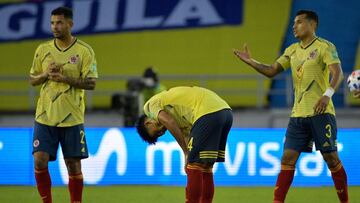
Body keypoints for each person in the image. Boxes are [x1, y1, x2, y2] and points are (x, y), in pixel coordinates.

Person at [233, 10, 348, 203]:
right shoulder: (292, 50)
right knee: (287, 159)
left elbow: (338, 73)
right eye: (294, 23)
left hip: (321, 113)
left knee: (331, 158)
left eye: (299, 22)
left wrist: (327, 95)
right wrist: (251, 62)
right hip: (297, 115)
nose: (294, 26)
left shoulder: (325, 47)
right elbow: (271, 71)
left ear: (312, 25)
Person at [29, 6, 98, 203]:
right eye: (52, 23)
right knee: (39, 159)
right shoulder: (42, 50)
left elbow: (91, 83)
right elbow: (32, 79)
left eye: (59, 22)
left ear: (70, 24)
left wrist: (63, 78)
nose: (55, 27)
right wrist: (45, 75)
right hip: (45, 116)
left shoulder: (84, 51)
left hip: (72, 117)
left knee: (73, 165)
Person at [136, 86, 232, 203]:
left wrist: (186, 153)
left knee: (194, 166)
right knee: (206, 166)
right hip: (225, 112)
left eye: (157, 132)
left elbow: (168, 121)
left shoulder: (149, 106)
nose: (162, 132)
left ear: (148, 123)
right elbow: (189, 138)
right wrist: (187, 157)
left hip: (207, 112)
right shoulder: (180, 117)